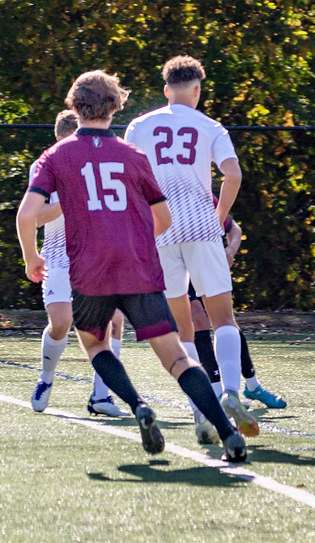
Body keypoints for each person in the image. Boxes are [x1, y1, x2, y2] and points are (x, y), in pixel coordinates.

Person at [15, 69, 246, 462]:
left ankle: (138, 404)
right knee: (176, 357)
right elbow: (163, 219)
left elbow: (26, 215)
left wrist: (31, 257)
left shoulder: (56, 156)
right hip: (137, 267)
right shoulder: (132, 155)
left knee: (95, 345)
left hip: (90, 270)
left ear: (74, 105)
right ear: (116, 106)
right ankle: (228, 434)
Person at [124, 55, 258, 443]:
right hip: (201, 225)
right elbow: (233, 175)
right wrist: (220, 216)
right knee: (224, 319)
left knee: (183, 330)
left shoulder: (141, 125)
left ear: (167, 90)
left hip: (160, 229)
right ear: (197, 91)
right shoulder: (210, 126)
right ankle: (231, 391)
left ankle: (203, 410)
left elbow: (129, 177)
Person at [26, 109, 129, 418]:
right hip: (57, 257)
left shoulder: (96, 165)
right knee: (61, 323)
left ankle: (101, 395)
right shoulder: (43, 167)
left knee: (114, 321)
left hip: (95, 257)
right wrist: (64, 202)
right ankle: (46, 378)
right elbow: (34, 216)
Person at [189, 210, 286, 412]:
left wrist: (230, 250)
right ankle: (217, 392)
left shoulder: (201, 196)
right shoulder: (159, 191)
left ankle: (252, 386)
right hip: (178, 265)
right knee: (197, 318)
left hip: (206, 262)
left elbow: (234, 228)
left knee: (227, 323)